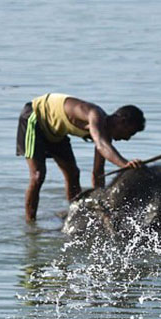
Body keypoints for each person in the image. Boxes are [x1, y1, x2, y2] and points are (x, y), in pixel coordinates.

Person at [17, 93, 146, 222]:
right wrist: (125, 164)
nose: (127, 138)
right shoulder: (95, 114)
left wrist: (102, 207)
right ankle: (30, 224)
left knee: (73, 174)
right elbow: (101, 145)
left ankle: (74, 215)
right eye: (130, 132)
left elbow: (98, 173)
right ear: (122, 121)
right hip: (36, 118)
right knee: (38, 176)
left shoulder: (104, 135)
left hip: (56, 132)